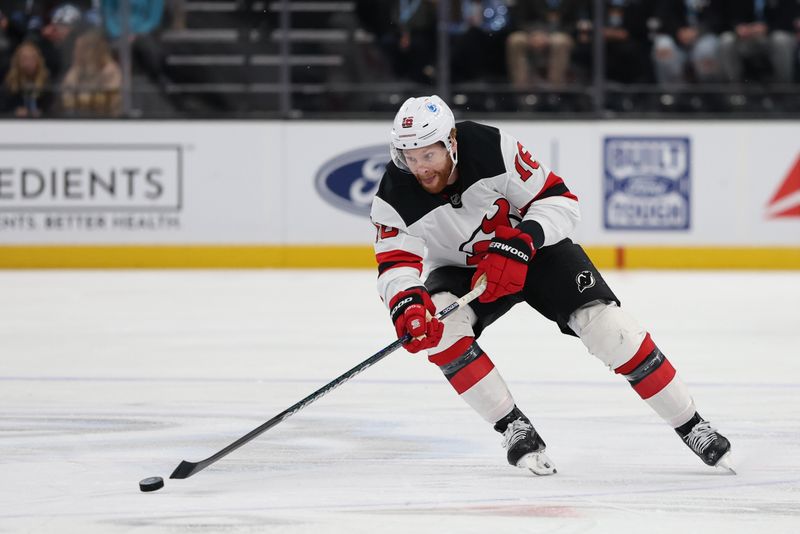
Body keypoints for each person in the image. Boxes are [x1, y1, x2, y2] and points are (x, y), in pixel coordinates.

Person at [369, 95, 734, 475]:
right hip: (464, 272)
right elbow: (395, 264)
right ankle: (513, 426)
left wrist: (523, 239)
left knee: (610, 329)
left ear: (452, 143)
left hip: (534, 253)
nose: (420, 169)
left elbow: (560, 201)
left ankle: (694, 426)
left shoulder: (491, 148)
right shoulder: (394, 194)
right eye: (409, 158)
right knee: (443, 334)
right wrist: (407, 303)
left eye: (428, 156)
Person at [1, 40, 53, 117]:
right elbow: (3, 107)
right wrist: (14, 112)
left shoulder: (46, 82)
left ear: (38, 61)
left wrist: (42, 112)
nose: (28, 63)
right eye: (24, 59)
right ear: (18, 61)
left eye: (32, 59)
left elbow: (51, 107)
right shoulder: (10, 82)